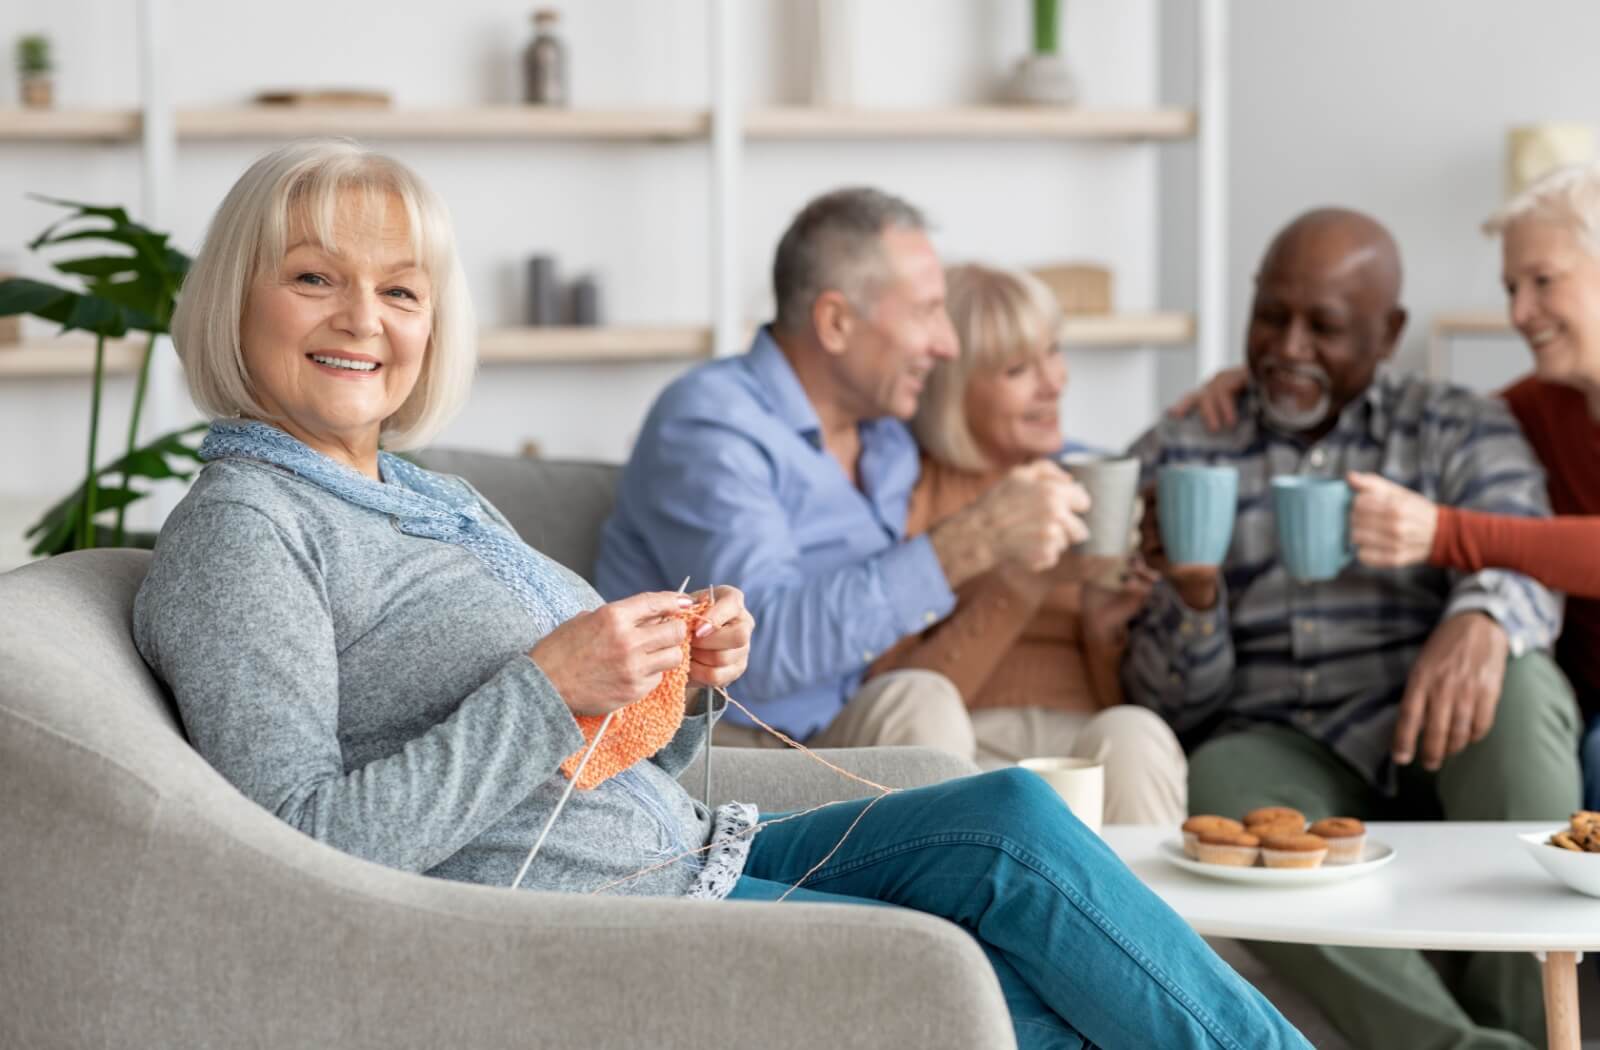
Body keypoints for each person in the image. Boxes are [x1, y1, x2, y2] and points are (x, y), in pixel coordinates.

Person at [131, 140, 1310, 1050]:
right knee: (994, 991)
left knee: (1005, 819)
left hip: (684, 846)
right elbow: (292, 856)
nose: (362, 320)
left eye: (400, 290)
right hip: (599, 924)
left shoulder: (418, 491)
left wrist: (674, 688)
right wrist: (550, 688)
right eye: (312, 279)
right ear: (238, 298)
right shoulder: (247, 531)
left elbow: (599, 762)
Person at [1125, 207, 1579, 1050]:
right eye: (1271, 316)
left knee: (1518, 689)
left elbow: (1522, 546)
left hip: (1435, 720)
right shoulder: (1188, 446)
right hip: (1276, 735)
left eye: (1325, 327)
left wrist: (1481, 615)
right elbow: (1167, 699)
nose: (1289, 347)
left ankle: (1528, 1018)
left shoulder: (1453, 422)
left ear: (1388, 332)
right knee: (1221, 779)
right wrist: (1192, 601)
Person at [596, 188, 1092, 759]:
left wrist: (1174, 445)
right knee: (921, 703)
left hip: (856, 727)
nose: (947, 344)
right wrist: (972, 540)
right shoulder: (710, 427)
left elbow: (1002, 436)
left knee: (1117, 742)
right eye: (928, 313)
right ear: (835, 322)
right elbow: (759, 654)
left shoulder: (886, 427)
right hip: (736, 743)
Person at [1172, 165, 1600, 813]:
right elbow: (1501, 487)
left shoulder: (1482, 416)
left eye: (1543, 281)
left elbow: (1517, 542)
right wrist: (1280, 377)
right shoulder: (1530, 408)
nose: (1518, 312)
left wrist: (1471, 589)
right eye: (1512, 286)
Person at [866, 262, 1185, 824]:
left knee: (1137, 731)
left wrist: (1101, 629)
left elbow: (1112, 696)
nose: (1055, 381)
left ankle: (1139, 915)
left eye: (1054, 352)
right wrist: (1022, 580)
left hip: (1077, 737)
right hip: (963, 736)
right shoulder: (908, 492)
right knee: (921, 705)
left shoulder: (1089, 481)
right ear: (953, 389)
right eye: (1018, 369)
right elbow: (892, 690)